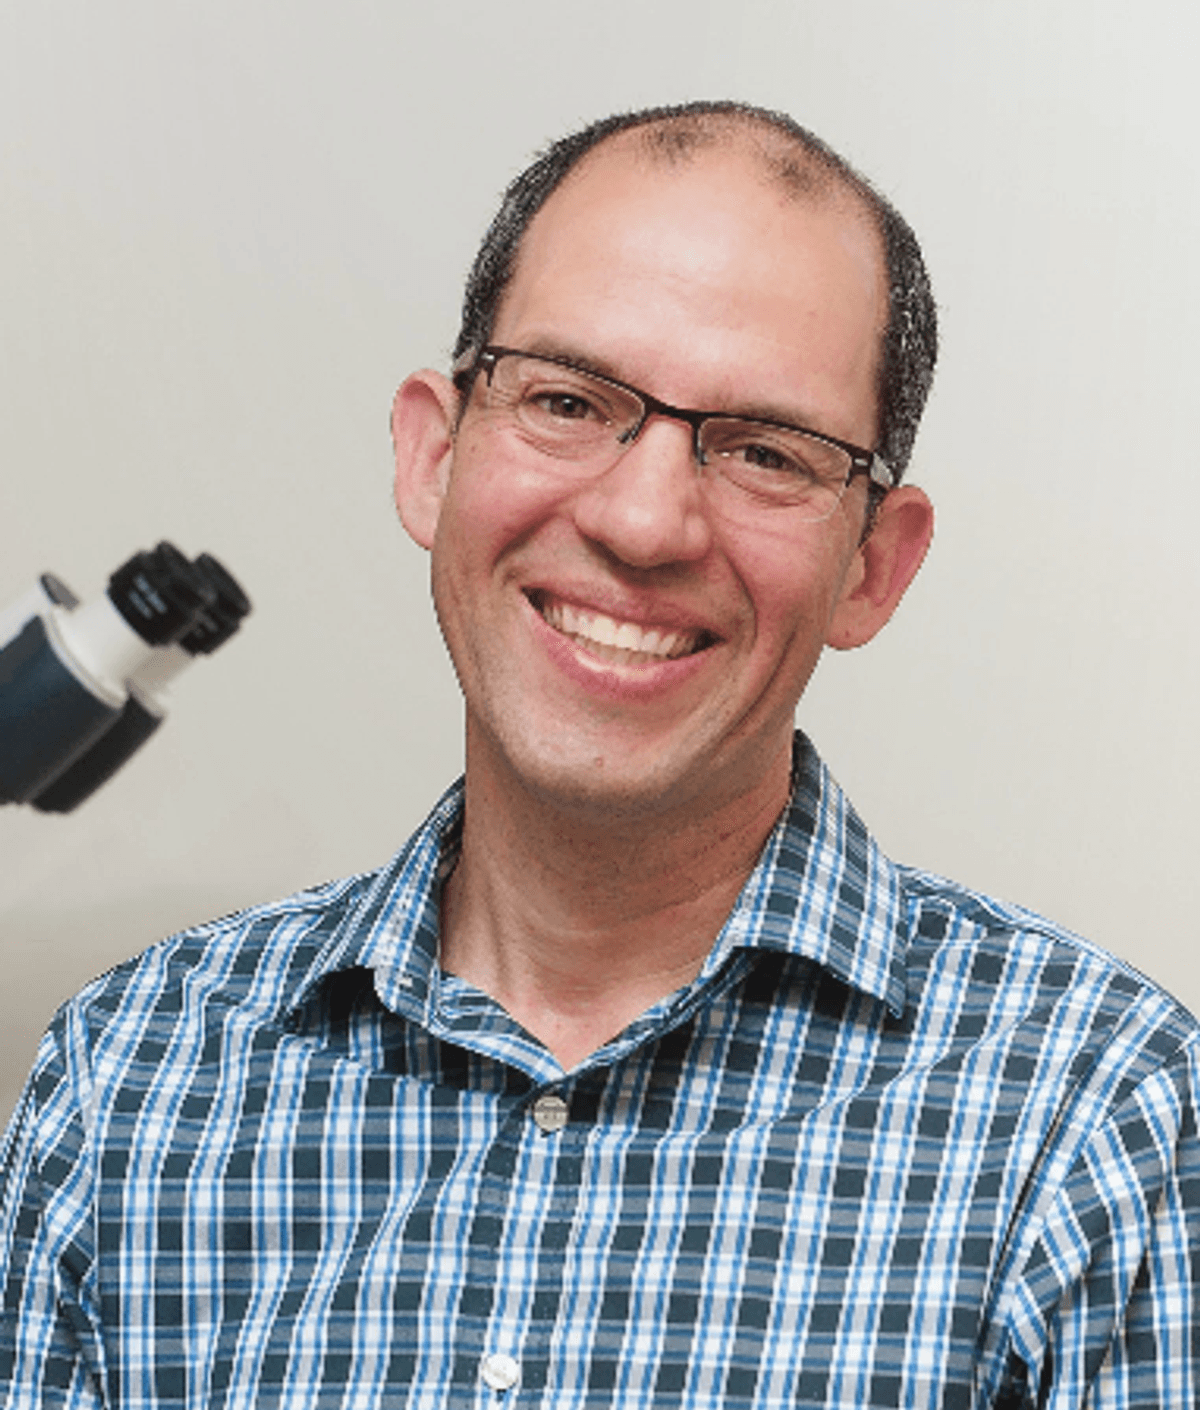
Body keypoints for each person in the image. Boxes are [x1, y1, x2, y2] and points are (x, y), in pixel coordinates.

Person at [1, 101, 1196, 1410]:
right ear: (432, 455)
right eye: (568, 399)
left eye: (764, 451)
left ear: (875, 565)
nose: (641, 520)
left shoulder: (1098, 1120)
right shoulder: (129, 1083)